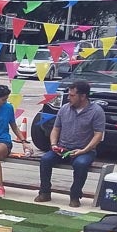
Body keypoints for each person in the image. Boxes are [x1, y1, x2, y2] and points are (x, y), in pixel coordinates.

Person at [36, 79, 105, 208]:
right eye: (69, 95)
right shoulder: (64, 109)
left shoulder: (96, 111)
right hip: (62, 148)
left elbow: (98, 135)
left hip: (84, 150)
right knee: (45, 159)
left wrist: (84, 150)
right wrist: (53, 145)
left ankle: (75, 195)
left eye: (72, 95)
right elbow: (56, 129)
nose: (69, 98)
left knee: (81, 164)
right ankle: (45, 192)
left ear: (83, 96)